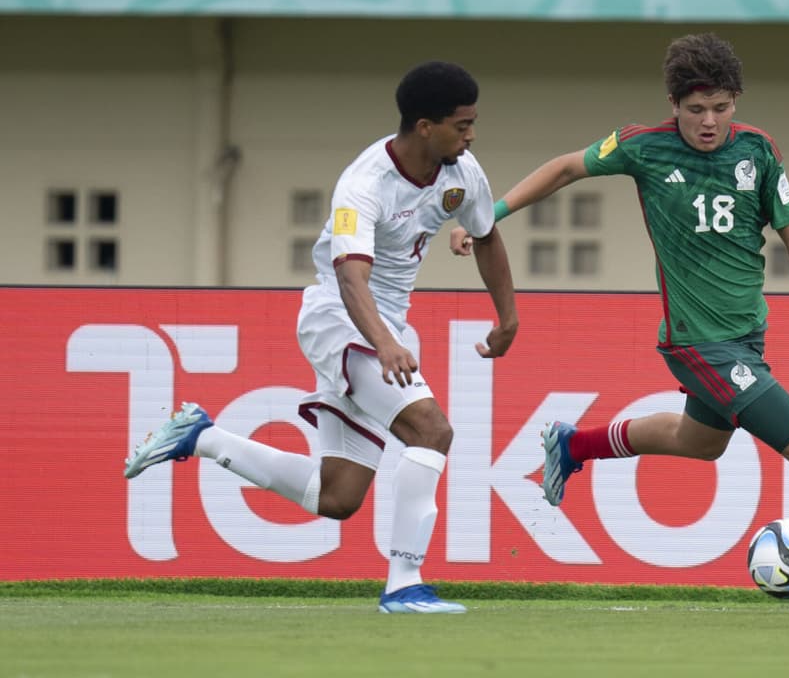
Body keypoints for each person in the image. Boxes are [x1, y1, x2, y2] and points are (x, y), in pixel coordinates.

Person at [450, 33, 789, 597]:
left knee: (700, 442)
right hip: (697, 343)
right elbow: (564, 169)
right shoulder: (641, 146)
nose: (709, 121)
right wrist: (488, 216)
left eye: (721, 108)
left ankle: (573, 446)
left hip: (746, 340)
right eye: (696, 109)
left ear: (736, 102)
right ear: (673, 105)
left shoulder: (759, 151)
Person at [125, 61, 519, 614]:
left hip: (386, 326)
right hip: (340, 319)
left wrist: (508, 317)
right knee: (431, 430)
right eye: (462, 124)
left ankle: (200, 437)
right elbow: (349, 276)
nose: (472, 134)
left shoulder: (462, 172)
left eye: (474, 122)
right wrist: (383, 343)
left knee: (335, 497)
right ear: (425, 126)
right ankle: (405, 584)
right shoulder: (364, 183)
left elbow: (486, 236)